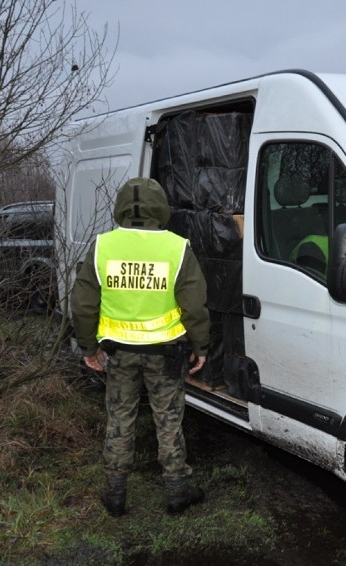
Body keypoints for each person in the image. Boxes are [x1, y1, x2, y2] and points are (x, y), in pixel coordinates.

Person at [71, 177, 210, 517]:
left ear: (121, 207)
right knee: (168, 420)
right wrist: (201, 346)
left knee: (119, 419)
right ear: (161, 207)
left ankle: (115, 494)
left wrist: (88, 347)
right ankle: (177, 491)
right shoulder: (177, 248)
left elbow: (84, 304)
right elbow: (194, 306)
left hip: (118, 354)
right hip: (166, 353)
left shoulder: (102, 246)